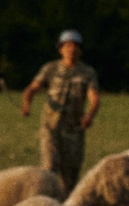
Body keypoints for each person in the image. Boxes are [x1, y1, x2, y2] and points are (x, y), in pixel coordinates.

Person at [21, 30, 100, 192]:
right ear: (61, 49)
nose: (72, 49)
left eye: (75, 46)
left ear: (80, 50)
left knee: (70, 175)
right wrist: (27, 105)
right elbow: (32, 89)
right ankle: (46, 204)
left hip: (73, 129)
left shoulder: (88, 73)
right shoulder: (50, 69)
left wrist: (89, 116)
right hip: (50, 126)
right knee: (49, 166)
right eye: (68, 45)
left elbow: (94, 98)